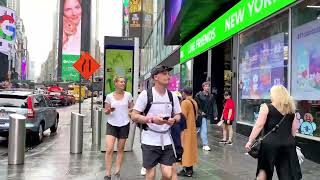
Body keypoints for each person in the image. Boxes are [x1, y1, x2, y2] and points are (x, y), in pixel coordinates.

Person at [132, 65, 182, 180]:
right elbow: (134, 116)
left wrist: (173, 120)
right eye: (164, 74)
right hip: (149, 139)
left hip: (167, 139)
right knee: (151, 174)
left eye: (169, 74)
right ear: (156, 77)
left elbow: (179, 115)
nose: (168, 76)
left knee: (168, 174)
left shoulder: (172, 95)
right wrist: (151, 119)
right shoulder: (146, 94)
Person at [245, 85, 302, 180]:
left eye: (271, 93)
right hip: (287, 145)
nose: (270, 95)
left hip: (269, 145)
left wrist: (250, 141)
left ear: (275, 95)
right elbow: (294, 129)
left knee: (264, 172)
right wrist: (289, 140)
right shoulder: (291, 110)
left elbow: (258, 125)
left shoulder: (266, 107)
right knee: (287, 174)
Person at [104, 76, 133, 180]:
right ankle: (107, 173)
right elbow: (105, 110)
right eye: (121, 82)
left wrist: (131, 113)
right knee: (109, 149)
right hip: (112, 124)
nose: (123, 83)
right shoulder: (109, 96)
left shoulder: (128, 95)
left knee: (120, 149)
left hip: (124, 124)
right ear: (115, 83)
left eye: (124, 82)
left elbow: (131, 108)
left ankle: (117, 171)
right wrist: (108, 110)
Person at [178, 87, 198, 177]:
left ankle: (188, 170)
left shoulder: (185, 102)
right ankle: (187, 168)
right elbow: (196, 116)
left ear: (184, 93)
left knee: (185, 149)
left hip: (186, 130)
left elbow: (182, 118)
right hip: (192, 129)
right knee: (190, 148)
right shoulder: (194, 102)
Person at [195, 82, 218, 151]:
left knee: (203, 129)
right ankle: (204, 144)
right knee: (202, 130)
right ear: (203, 87)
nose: (207, 87)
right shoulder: (198, 95)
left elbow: (214, 105)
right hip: (200, 115)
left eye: (208, 86)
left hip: (207, 115)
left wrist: (215, 115)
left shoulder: (211, 96)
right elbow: (195, 105)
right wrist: (200, 112)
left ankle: (204, 144)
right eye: (206, 86)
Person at [170, 92, 187, 180]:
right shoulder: (165, 113)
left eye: (178, 99)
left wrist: (181, 146)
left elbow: (182, 132)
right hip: (165, 145)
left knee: (172, 171)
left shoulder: (182, 116)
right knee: (167, 172)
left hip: (176, 146)